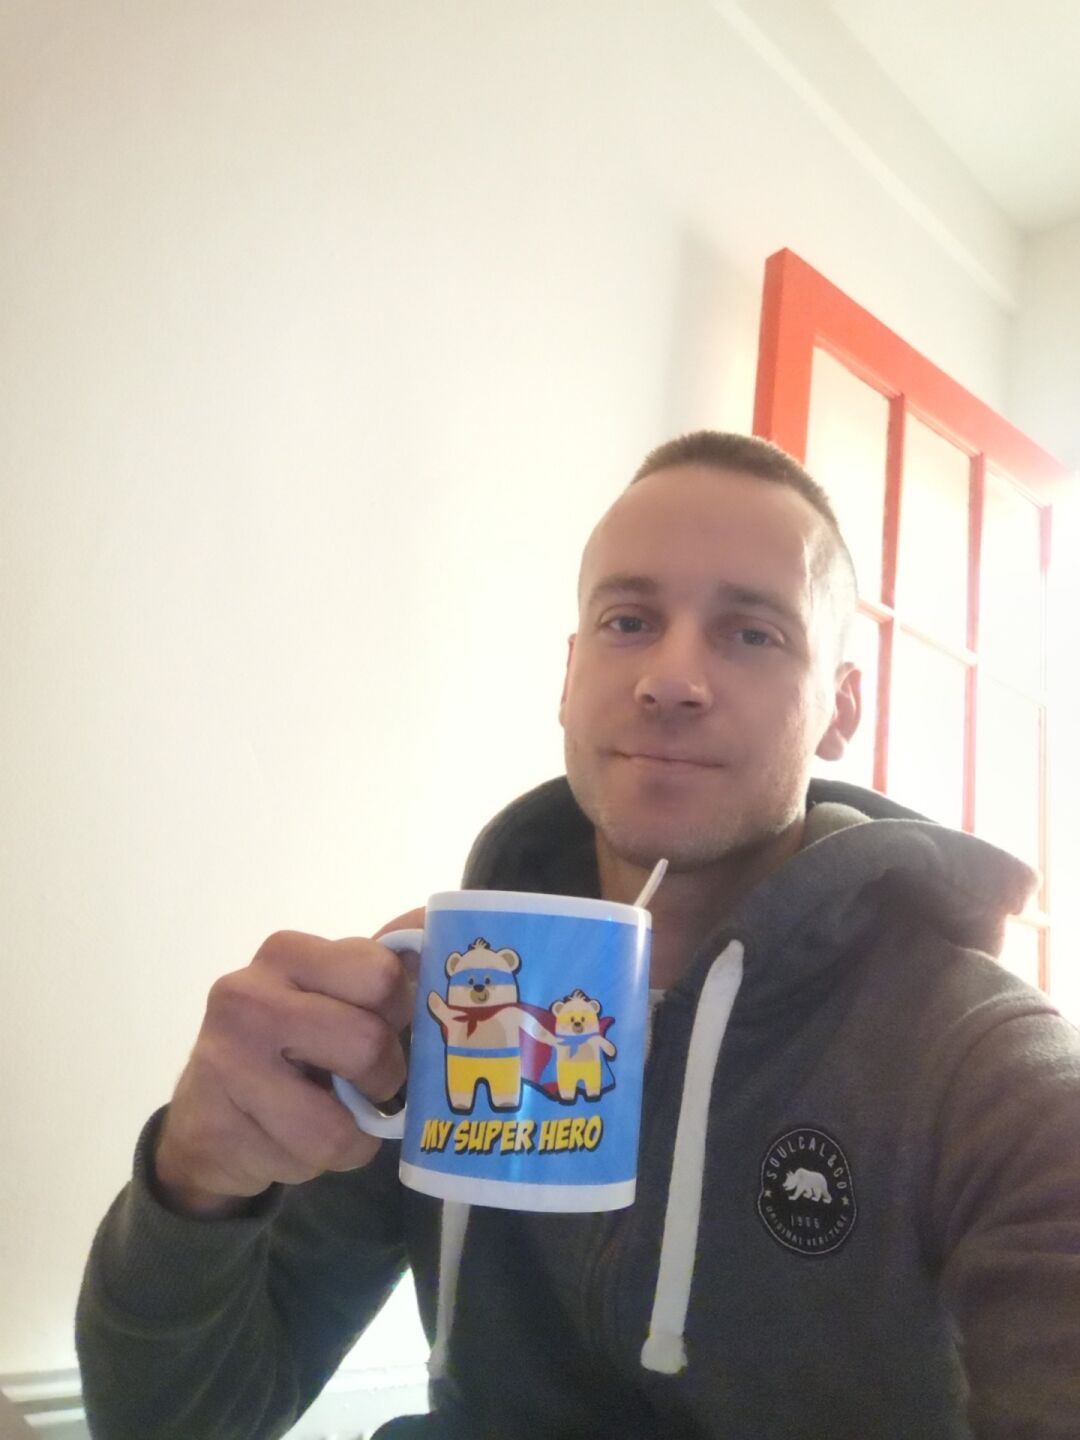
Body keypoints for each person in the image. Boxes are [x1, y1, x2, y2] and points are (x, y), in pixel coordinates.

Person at [76, 432, 1080, 1439]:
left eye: (752, 634)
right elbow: (179, 1424)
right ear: (570, 676)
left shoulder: (979, 1062)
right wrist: (193, 1187)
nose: (671, 679)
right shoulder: (441, 1000)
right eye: (629, 622)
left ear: (840, 709)